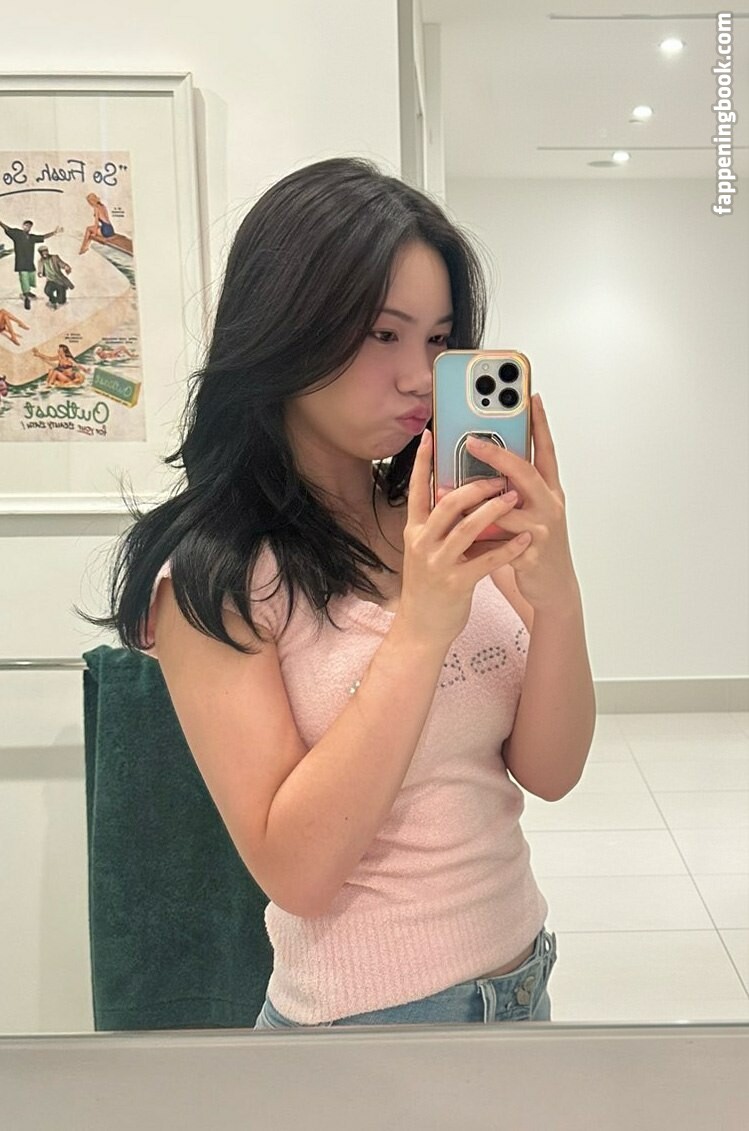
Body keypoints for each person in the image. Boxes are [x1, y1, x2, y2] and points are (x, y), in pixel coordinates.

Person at [94, 157, 595, 1029]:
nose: (418, 375)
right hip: (369, 1026)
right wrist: (420, 631)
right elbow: (297, 871)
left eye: (437, 340)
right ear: (286, 326)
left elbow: (551, 772)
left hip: (520, 983)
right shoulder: (216, 573)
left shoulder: (435, 518)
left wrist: (557, 598)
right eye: (381, 334)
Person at [0, 219, 62, 309]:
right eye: (26, 225)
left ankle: (27, 292)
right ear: (23, 226)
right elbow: (7, 228)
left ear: (30, 228)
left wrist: (54, 233)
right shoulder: (17, 234)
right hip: (21, 263)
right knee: (24, 279)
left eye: (29, 226)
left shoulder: (32, 237)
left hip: (29, 263)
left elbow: (43, 237)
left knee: (31, 279)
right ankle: (26, 297)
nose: (27, 227)